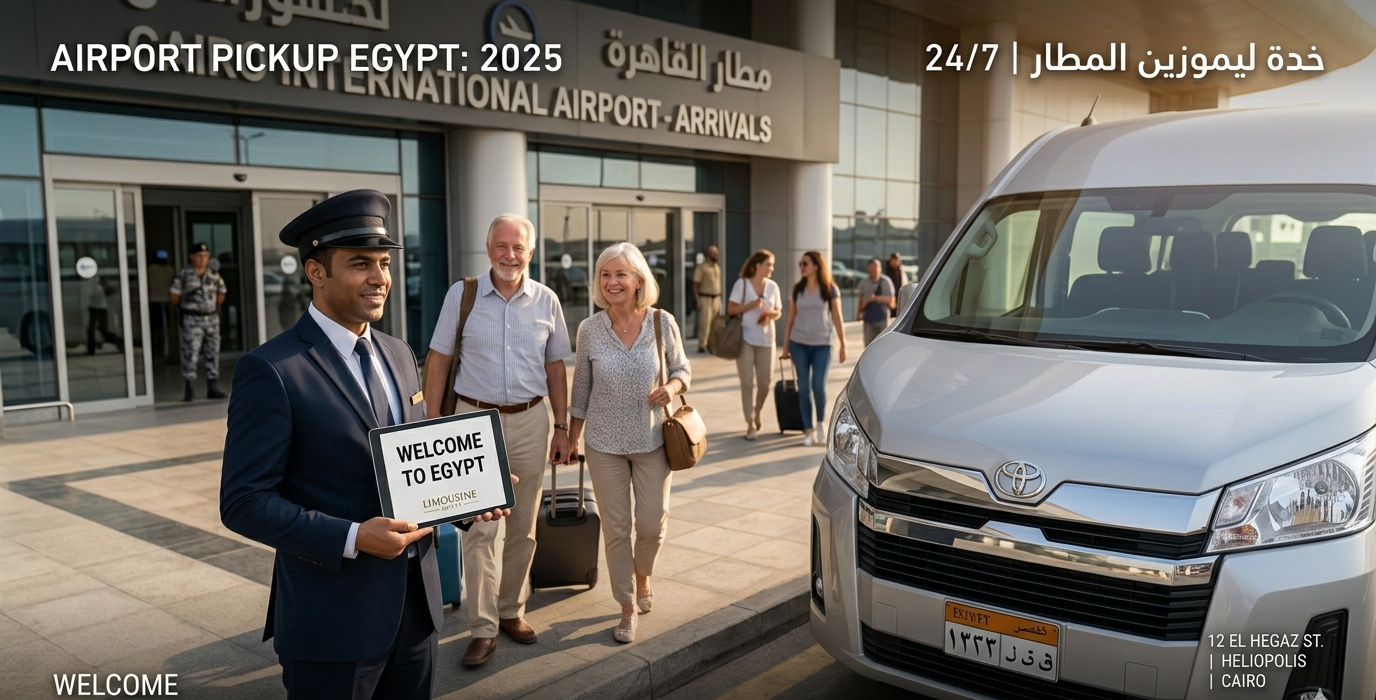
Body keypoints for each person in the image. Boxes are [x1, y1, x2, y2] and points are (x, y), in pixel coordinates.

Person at [220, 190, 511, 700]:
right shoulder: (271, 369)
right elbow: (244, 503)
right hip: (332, 623)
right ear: (316, 272)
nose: (380, 277)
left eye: (383, 262)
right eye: (360, 264)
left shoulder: (399, 353)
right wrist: (354, 536)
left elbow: (415, 467)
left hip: (417, 615)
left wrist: (469, 497)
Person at [422, 213, 572, 668]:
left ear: (531, 251)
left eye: (519, 247)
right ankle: (483, 627)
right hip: (474, 423)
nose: (510, 255)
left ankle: (512, 611)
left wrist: (562, 426)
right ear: (488, 249)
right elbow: (439, 359)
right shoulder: (461, 295)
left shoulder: (546, 300)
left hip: (530, 420)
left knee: (523, 526)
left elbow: (556, 369)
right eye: (502, 246)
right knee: (481, 529)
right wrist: (432, 426)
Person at [567, 242, 690, 644]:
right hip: (604, 443)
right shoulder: (589, 329)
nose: (612, 282)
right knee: (617, 529)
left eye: (621, 274)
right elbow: (580, 388)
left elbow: (682, 368)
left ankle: (643, 576)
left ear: (639, 280)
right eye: (605, 274)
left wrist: (672, 386)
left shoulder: (662, 322)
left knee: (652, 525)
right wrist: (571, 437)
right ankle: (625, 607)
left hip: (653, 438)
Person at [781, 251, 848, 447]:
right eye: (800, 264)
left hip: (822, 344)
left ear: (816, 266)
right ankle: (807, 429)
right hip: (799, 343)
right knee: (803, 388)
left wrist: (843, 343)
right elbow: (790, 319)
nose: (801, 267)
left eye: (805, 264)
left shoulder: (830, 289)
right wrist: (785, 346)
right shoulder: (797, 289)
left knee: (818, 386)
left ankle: (820, 423)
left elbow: (837, 316)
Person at [726, 250, 781, 440]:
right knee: (747, 383)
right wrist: (751, 305)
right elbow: (731, 309)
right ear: (757, 265)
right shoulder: (742, 284)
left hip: (767, 339)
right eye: (768, 264)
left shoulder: (773, 287)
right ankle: (750, 424)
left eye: (772, 265)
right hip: (745, 339)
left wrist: (769, 315)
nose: (771, 268)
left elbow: (778, 311)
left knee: (765, 384)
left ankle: (757, 410)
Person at [170, 242, 228, 401]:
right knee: (190, 353)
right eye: (199, 256)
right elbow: (174, 297)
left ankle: (212, 387)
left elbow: (221, 293)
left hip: (211, 318)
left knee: (213, 352)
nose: (203, 259)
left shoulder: (213, 275)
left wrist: (211, 306)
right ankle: (189, 388)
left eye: (205, 256)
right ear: (192, 257)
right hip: (191, 319)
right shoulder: (184, 274)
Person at [857, 259, 895, 347]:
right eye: (870, 268)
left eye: (875, 268)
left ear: (880, 269)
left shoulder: (886, 282)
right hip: (868, 319)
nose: (872, 270)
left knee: (884, 345)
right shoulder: (864, 283)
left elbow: (892, 302)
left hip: (883, 318)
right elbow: (861, 301)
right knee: (869, 346)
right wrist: (859, 313)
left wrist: (877, 298)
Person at [692, 244, 721, 353]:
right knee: (705, 323)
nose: (716, 255)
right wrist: (698, 300)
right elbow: (695, 285)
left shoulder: (717, 267)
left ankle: (712, 344)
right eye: (714, 253)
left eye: (716, 253)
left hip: (716, 298)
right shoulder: (702, 268)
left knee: (716, 323)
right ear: (708, 254)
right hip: (705, 298)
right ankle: (702, 344)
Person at [85, 277, 122, 355]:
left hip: (95, 308)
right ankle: (118, 342)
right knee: (100, 330)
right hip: (100, 308)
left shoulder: (97, 287)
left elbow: (91, 294)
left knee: (94, 330)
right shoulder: (100, 288)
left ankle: (91, 349)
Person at [884, 252, 907, 318]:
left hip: (900, 297)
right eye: (893, 260)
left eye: (896, 260)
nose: (894, 262)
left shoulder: (901, 271)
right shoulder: (888, 272)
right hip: (890, 297)